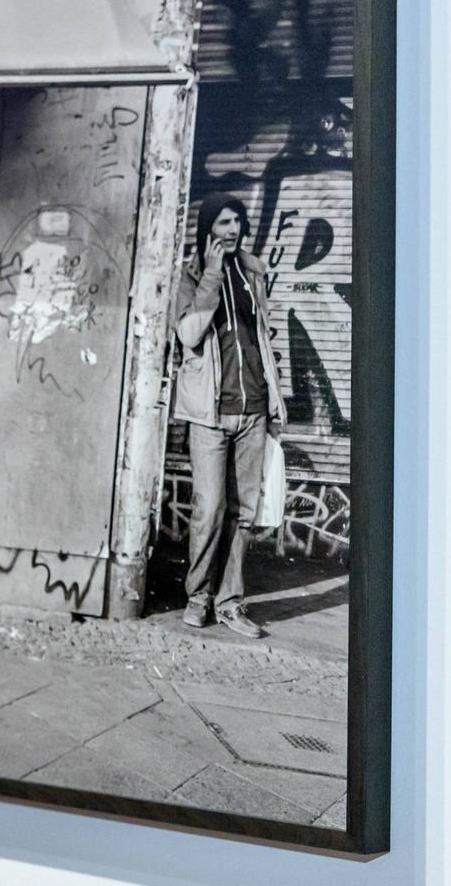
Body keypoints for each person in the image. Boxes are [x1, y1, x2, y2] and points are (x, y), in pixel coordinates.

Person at [171, 194, 286, 639]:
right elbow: (188, 333)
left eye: (237, 221)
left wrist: (274, 401)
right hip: (209, 413)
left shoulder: (253, 272)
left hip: (253, 409)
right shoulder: (192, 276)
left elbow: (261, 339)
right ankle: (198, 597)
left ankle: (230, 603)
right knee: (210, 509)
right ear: (208, 228)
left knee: (244, 512)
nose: (232, 229)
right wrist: (212, 276)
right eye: (223, 221)